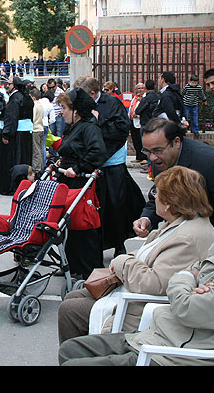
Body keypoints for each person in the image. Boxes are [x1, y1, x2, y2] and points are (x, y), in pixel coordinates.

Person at [59, 186, 214, 367]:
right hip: (163, 332)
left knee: (71, 311)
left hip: (172, 348)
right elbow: (184, 274)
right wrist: (189, 282)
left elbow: (175, 295)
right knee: (70, 348)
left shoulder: (189, 235)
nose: (153, 198)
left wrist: (185, 279)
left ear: (169, 204)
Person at [75, 75, 145, 257]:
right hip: (92, 163)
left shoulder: (112, 103)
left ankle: (119, 243)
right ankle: (95, 245)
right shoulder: (84, 104)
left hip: (112, 163)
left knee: (116, 205)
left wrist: (97, 127)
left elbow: (122, 129)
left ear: (92, 93)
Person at [134, 117, 214, 238]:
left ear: (176, 142)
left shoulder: (211, 162)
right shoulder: (159, 160)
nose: (152, 158)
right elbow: (159, 196)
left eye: (157, 150)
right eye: (147, 151)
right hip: (178, 236)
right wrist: (146, 219)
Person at [54, 87, 107, 278]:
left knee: (82, 226)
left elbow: (98, 152)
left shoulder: (89, 127)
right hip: (68, 180)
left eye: (64, 109)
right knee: (69, 225)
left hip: (80, 183)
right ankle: (72, 265)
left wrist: (77, 168)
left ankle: (87, 269)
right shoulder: (74, 126)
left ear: (75, 110)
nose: (62, 112)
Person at [0, 76, 33, 195]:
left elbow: (11, 118)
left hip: (16, 134)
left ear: (14, 86)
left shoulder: (15, 99)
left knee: (14, 159)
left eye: (10, 83)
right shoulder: (26, 97)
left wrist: (6, 134)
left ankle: (12, 185)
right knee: (24, 158)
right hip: (25, 133)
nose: (8, 85)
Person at [128, 82, 146, 163]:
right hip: (132, 121)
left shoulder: (145, 98)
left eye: (142, 88)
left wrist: (137, 115)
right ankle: (138, 156)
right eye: (139, 88)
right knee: (135, 140)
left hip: (139, 121)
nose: (141, 90)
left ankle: (144, 157)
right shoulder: (134, 98)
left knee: (141, 140)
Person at [30, 87, 45, 171]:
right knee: (40, 150)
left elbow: (33, 117)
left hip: (35, 129)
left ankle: (37, 169)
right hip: (41, 128)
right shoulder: (40, 105)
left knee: (36, 151)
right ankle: (41, 166)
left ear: (33, 97)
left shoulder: (34, 105)